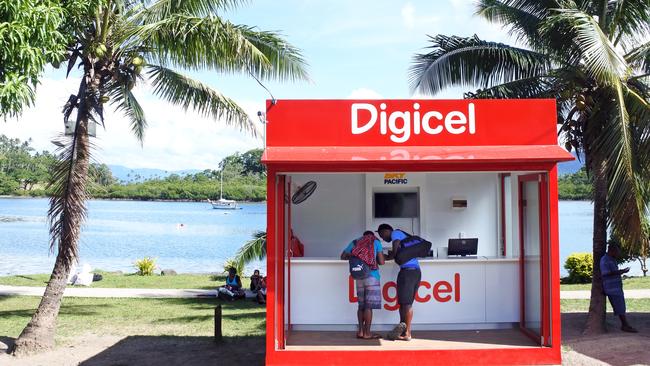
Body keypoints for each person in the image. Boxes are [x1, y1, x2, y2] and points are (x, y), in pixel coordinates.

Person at [341, 230, 385, 339]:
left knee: (361, 305)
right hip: (372, 276)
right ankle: (367, 333)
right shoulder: (375, 242)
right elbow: (381, 261)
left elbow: (342, 256)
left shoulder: (355, 242)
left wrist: (354, 256)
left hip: (359, 276)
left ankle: (360, 331)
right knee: (369, 306)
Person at [378, 223, 419, 341]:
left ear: (387, 230)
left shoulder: (395, 233)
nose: (383, 238)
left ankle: (408, 333)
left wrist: (389, 256)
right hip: (412, 272)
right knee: (403, 303)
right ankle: (402, 329)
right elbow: (397, 254)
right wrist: (389, 256)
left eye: (382, 235)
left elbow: (396, 250)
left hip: (408, 272)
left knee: (406, 304)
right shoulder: (402, 235)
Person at [600, 243, 637, 333]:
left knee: (621, 306)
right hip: (611, 288)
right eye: (617, 252)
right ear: (612, 251)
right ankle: (625, 325)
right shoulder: (605, 260)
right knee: (619, 306)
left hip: (616, 287)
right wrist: (621, 271)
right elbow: (605, 273)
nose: (618, 254)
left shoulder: (612, 259)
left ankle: (625, 324)